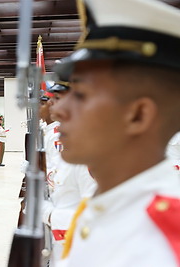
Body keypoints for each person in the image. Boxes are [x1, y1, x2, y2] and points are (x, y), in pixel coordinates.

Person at [50, 0, 180, 266]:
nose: (59, 109)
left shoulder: (160, 248)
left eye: (81, 95)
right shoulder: (109, 205)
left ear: (138, 115)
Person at [41, 83, 97, 267]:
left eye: (59, 99)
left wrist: (48, 214)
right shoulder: (72, 142)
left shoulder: (88, 149)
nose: (51, 104)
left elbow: (95, 216)